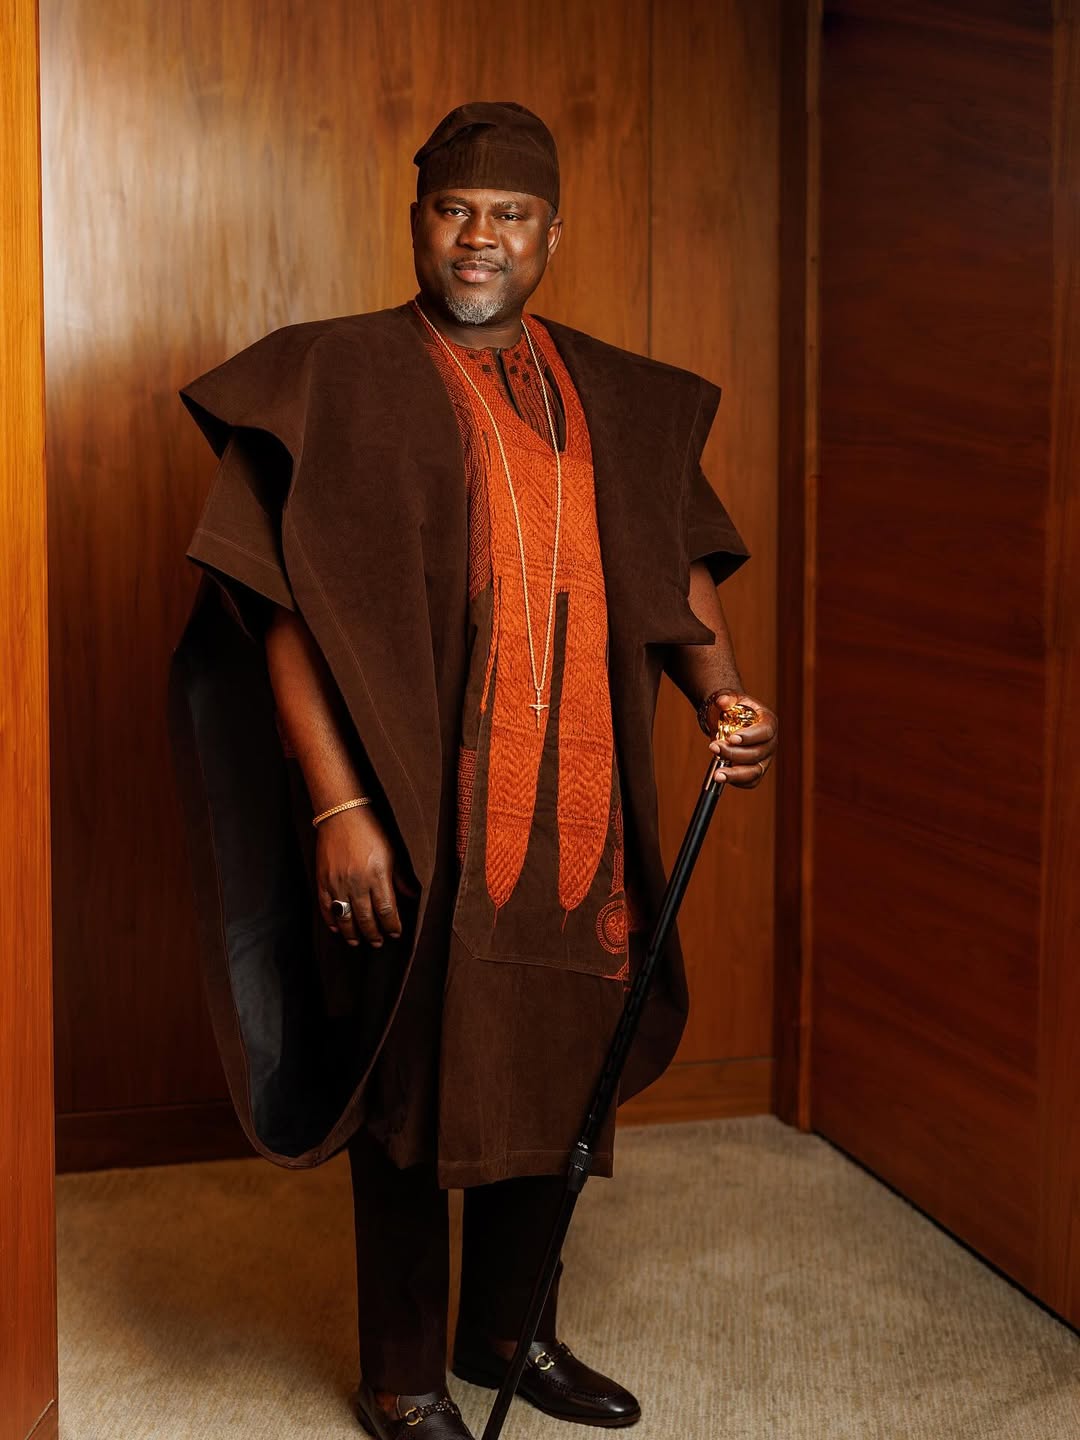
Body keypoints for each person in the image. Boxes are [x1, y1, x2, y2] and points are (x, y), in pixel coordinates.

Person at [168, 100, 778, 1440]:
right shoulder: (334, 376)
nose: (480, 237)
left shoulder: (619, 393)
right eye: (455, 210)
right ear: (417, 223)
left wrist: (722, 697)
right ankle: (402, 1378)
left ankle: (508, 1334)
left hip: (579, 806)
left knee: (556, 1062)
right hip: (409, 800)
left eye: (510, 213)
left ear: (553, 232)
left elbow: (675, 566)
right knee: (407, 1080)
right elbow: (277, 608)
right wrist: (338, 806)